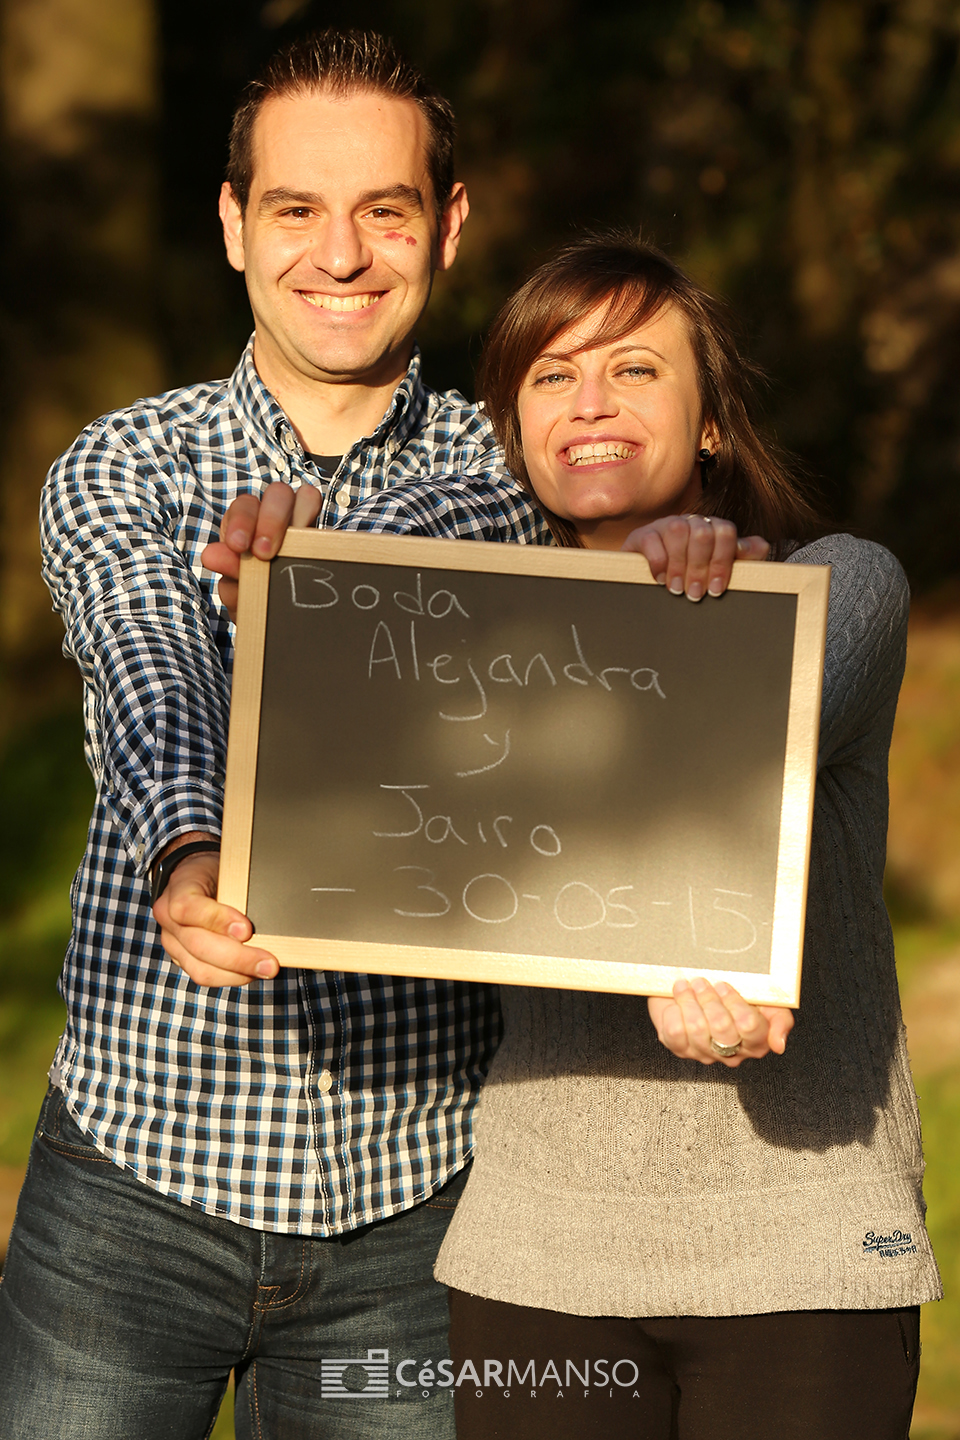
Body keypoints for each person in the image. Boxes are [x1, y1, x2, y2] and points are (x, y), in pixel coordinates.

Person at [0, 29, 554, 1440]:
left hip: (425, 1207)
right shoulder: (128, 460)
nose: (344, 256)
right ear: (235, 224)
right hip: (136, 1190)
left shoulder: (521, 465)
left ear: (451, 222)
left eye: (386, 210)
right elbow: (153, 670)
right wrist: (191, 851)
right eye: (298, 210)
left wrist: (343, 550)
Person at [298, 234, 939, 1438]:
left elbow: (747, 723)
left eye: (636, 370)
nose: (590, 402)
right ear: (515, 431)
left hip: (802, 1247)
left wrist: (698, 610)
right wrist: (277, 576)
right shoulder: (457, 655)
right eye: (551, 376)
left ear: (710, 423)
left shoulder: (845, 584)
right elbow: (341, 801)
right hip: (538, 1259)